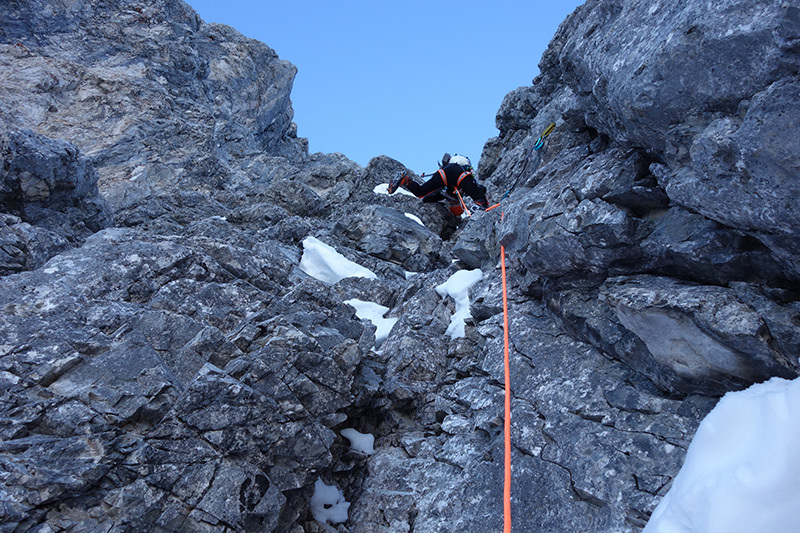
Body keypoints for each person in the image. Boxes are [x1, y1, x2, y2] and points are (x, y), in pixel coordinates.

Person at [387, 153, 489, 216]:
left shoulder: (446, 192)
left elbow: (428, 197)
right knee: (480, 200)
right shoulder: (462, 188)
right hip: (459, 174)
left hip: (443, 174)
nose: (451, 203)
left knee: (420, 192)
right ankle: (481, 205)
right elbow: (480, 189)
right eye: (453, 203)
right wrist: (480, 196)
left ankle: (406, 180)